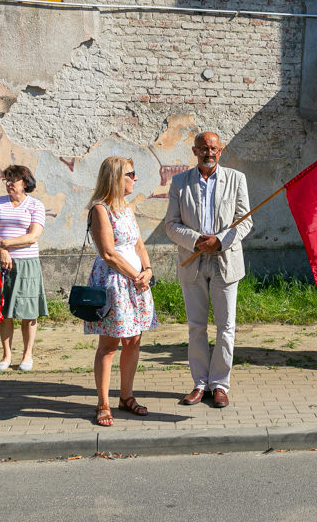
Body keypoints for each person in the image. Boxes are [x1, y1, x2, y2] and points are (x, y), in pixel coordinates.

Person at [164, 131, 252, 409]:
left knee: (226, 328)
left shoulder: (236, 179)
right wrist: (196, 242)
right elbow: (171, 224)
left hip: (226, 261)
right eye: (203, 148)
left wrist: (220, 241)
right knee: (196, 327)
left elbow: (245, 221)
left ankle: (220, 385)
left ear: (221, 150)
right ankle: (200, 384)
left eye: (213, 148)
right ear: (194, 151)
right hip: (193, 262)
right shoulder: (180, 182)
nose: (208, 153)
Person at [84, 157, 158, 426]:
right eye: (131, 174)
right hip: (115, 283)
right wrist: (136, 275)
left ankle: (126, 397)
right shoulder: (100, 209)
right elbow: (108, 253)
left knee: (133, 340)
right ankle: (102, 403)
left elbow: (139, 245)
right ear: (116, 177)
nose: (135, 179)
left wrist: (147, 270)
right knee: (108, 345)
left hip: (136, 282)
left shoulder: (126, 207)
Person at [0, 165, 49, 372]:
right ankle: (6, 355)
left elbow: (33, 236)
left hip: (26, 263)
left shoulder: (36, 205)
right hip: (0, 262)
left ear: (25, 182)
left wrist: (4, 244)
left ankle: (27, 355)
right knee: (3, 310)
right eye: (7, 179)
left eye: (14, 179)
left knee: (28, 310)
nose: (9, 183)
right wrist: (2, 252)